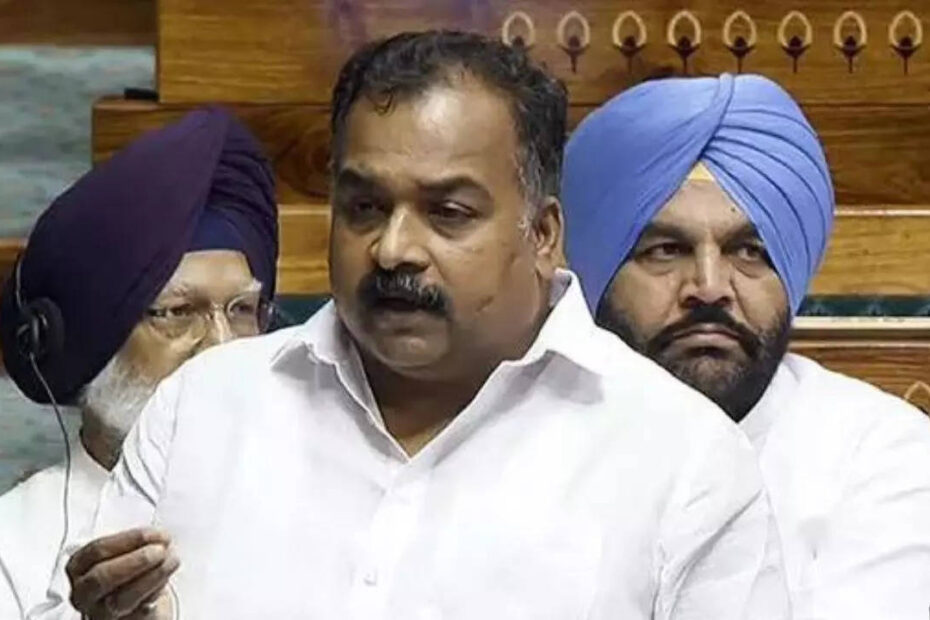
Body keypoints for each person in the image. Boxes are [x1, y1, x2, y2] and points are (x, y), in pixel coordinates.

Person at [42, 32, 789, 620]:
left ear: (542, 234)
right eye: (365, 207)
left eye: (448, 212)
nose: (394, 248)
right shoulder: (203, 407)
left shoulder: (682, 460)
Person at [561, 73, 930, 619]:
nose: (709, 287)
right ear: (598, 271)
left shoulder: (882, 457)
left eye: (750, 252)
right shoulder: (528, 443)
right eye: (666, 250)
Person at [0, 107, 278, 619]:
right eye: (177, 313)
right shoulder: (13, 547)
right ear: (94, 339)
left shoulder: (319, 500)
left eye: (242, 310)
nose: (223, 347)